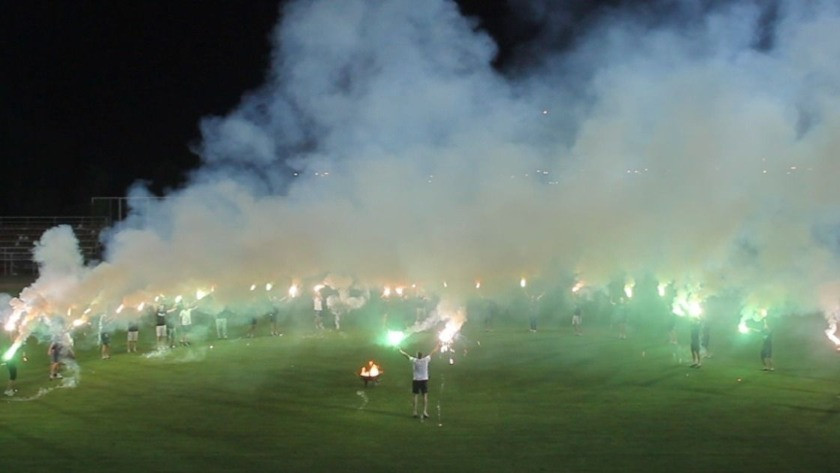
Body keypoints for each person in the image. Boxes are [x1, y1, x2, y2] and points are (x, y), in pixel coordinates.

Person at [399, 344, 440, 419]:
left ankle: (414, 412)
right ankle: (424, 412)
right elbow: (433, 352)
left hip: (416, 380)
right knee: (424, 396)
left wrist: (401, 351)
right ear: (422, 355)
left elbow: (406, 356)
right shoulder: (426, 360)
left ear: (417, 355)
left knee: (415, 396)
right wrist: (437, 346)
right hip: (424, 380)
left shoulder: (414, 361)